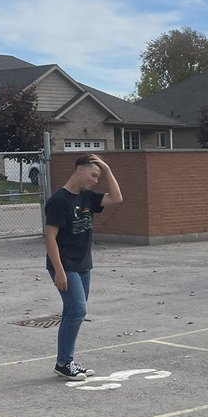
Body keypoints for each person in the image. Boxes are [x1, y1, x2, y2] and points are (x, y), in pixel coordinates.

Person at [44, 153, 123, 379]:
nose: (95, 180)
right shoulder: (59, 200)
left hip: (83, 265)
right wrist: (58, 270)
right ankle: (64, 362)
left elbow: (117, 199)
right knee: (78, 311)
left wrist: (107, 170)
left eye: (99, 177)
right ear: (79, 169)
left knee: (72, 313)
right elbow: (49, 238)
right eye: (93, 174)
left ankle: (65, 362)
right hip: (64, 265)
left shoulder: (88, 197)